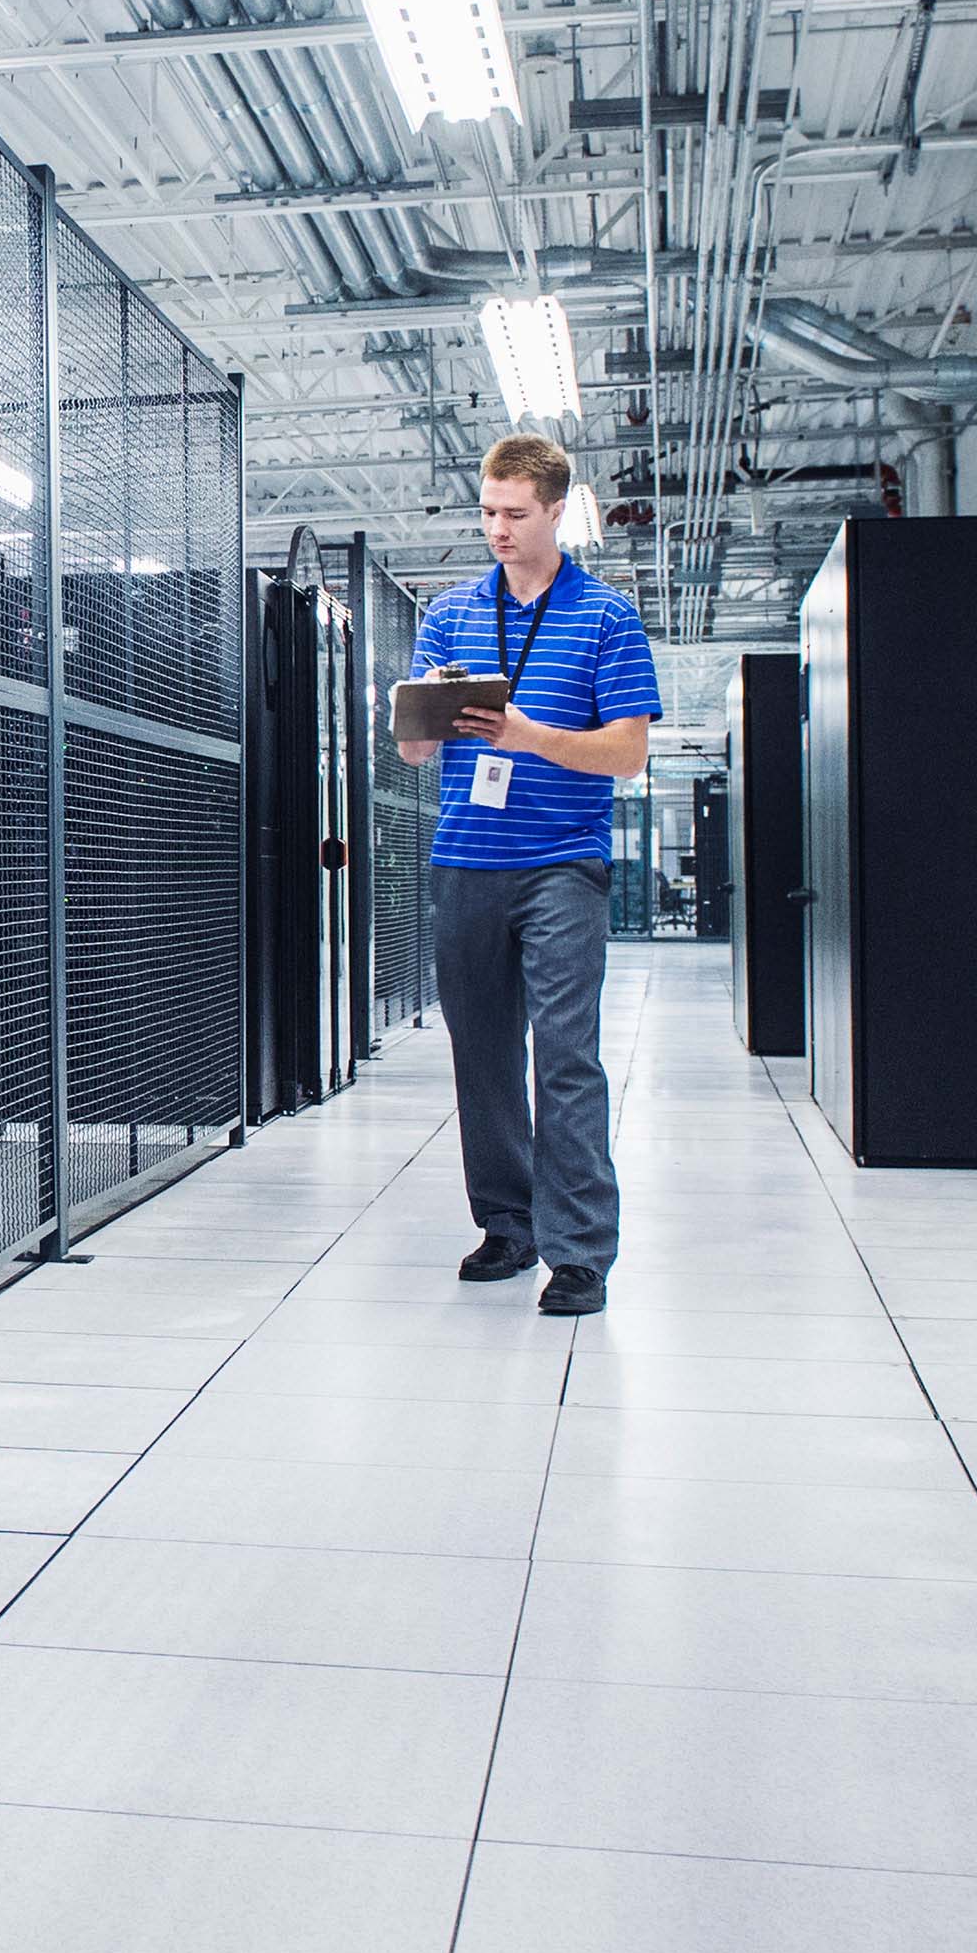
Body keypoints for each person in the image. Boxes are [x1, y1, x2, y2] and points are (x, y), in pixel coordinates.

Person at [393, 432, 660, 1316]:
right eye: (487, 512)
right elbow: (417, 749)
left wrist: (528, 738)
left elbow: (626, 753)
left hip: (561, 864)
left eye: (515, 514)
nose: (498, 529)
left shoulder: (606, 617)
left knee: (567, 1057)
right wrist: (420, 730)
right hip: (466, 860)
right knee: (483, 1054)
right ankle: (509, 1224)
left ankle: (580, 1252)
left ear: (556, 511)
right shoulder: (452, 614)